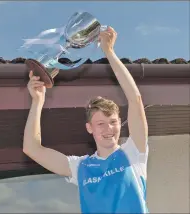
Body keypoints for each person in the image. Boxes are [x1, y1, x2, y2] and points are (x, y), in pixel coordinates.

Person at [23, 26, 149, 213]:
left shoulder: (133, 153)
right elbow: (32, 149)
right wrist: (37, 101)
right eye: (101, 124)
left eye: (113, 122)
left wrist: (109, 52)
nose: (109, 129)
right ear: (89, 128)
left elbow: (135, 99)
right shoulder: (81, 167)